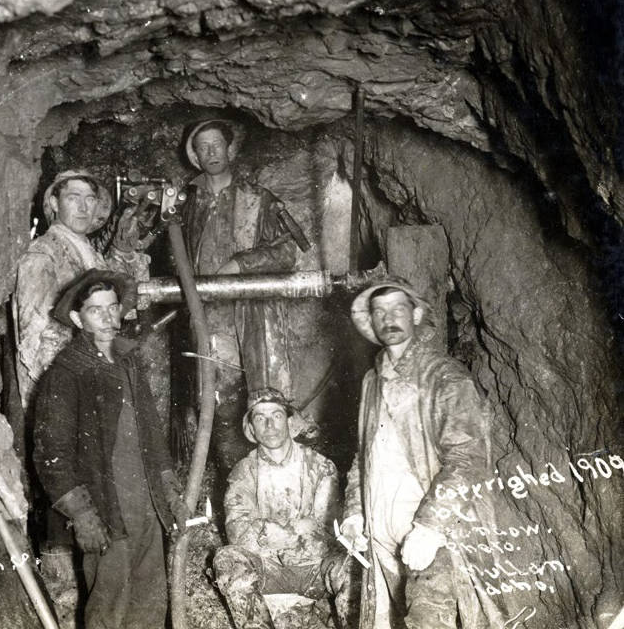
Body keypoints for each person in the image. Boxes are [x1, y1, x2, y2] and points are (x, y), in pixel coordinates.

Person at [340, 278, 504, 629]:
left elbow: (467, 456)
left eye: (398, 308)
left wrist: (430, 526)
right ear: (370, 321)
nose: (389, 318)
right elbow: (363, 454)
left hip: (434, 532)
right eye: (379, 311)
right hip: (380, 528)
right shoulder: (372, 381)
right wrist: (355, 513)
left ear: (415, 314)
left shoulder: (445, 376)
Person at [34, 269, 186, 629]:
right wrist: (82, 514)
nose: (106, 317)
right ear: (77, 318)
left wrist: (169, 489)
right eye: (95, 310)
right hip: (105, 507)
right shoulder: (67, 373)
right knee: (110, 602)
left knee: (150, 598)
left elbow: (152, 431)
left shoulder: (129, 361)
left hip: (145, 502)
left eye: (112, 307)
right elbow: (50, 454)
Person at [178, 119, 301, 468]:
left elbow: (287, 251)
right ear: (196, 156)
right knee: (216, 401)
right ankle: (234, 478)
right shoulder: (187, 204)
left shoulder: (258, 199)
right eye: (204, 147)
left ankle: (274, 473)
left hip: (252, 315)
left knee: (265, 396)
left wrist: (239, 263)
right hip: (207, 319)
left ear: (230, 149)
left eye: (218, 144)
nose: (212, 151)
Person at [212, 387, 353, 629]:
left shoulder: (320, 467)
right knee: (228, 560)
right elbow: (238, 532)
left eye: (276, 415)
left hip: (315, 570)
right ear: (252, 429)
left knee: (351, 566)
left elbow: (330, 531)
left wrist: (268, 532)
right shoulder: (244, 472)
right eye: (259, 418)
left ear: (289, 422)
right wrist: (296, 528)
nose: (269, 425)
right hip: (269, 572)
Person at [14, 168, 151, 409]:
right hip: (61, 389)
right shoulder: (43, 253)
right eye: (73, 197)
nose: (83, 207)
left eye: (90, 199)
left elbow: (127, 306)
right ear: (55, 203)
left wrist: (125, 253)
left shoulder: (91, 254)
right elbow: (35, 334)